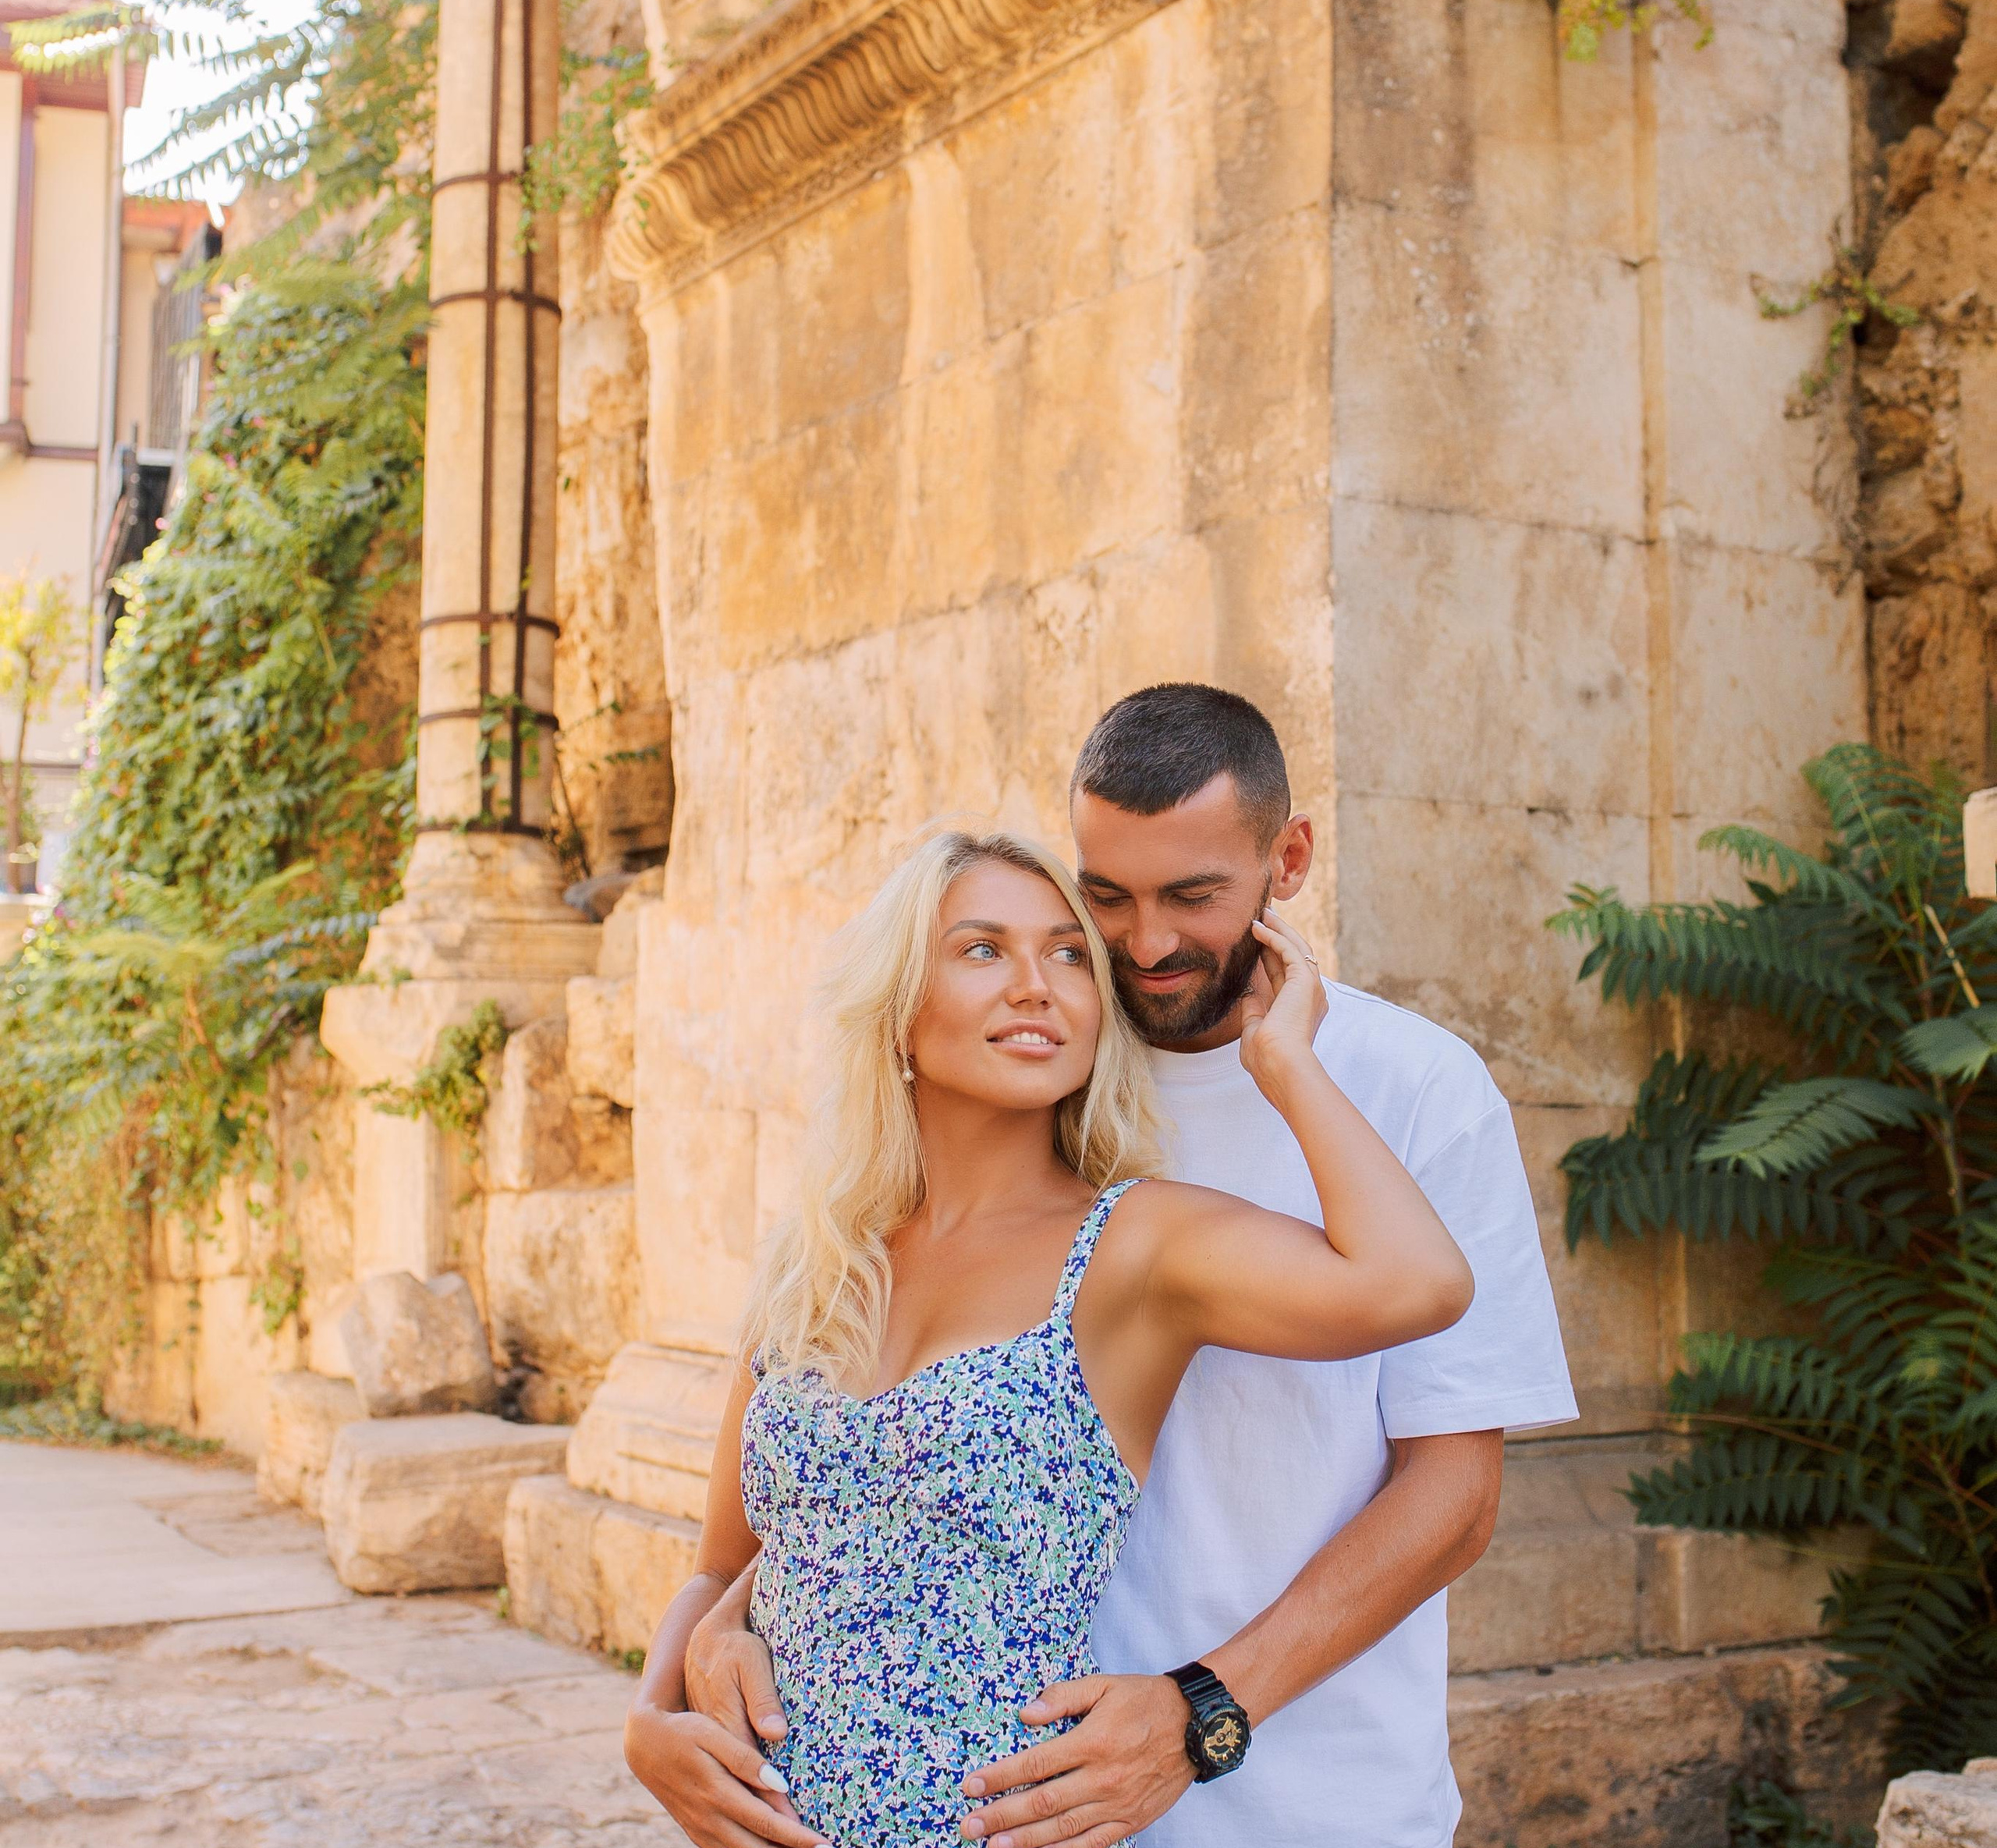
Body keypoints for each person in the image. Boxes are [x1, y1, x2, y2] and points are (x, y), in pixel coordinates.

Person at [640, 684, 1578, 1848]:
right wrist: (702, 1655)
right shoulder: (1046, 1069)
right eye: (1105, 901)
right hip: (1034, 1794)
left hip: (1301, 1792)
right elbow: (847, 1508)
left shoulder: (1405, 1092)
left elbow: (1454, 1496)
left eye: (1192, 896)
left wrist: (1201, 1712)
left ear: (1286, 862)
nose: (1141, 946)